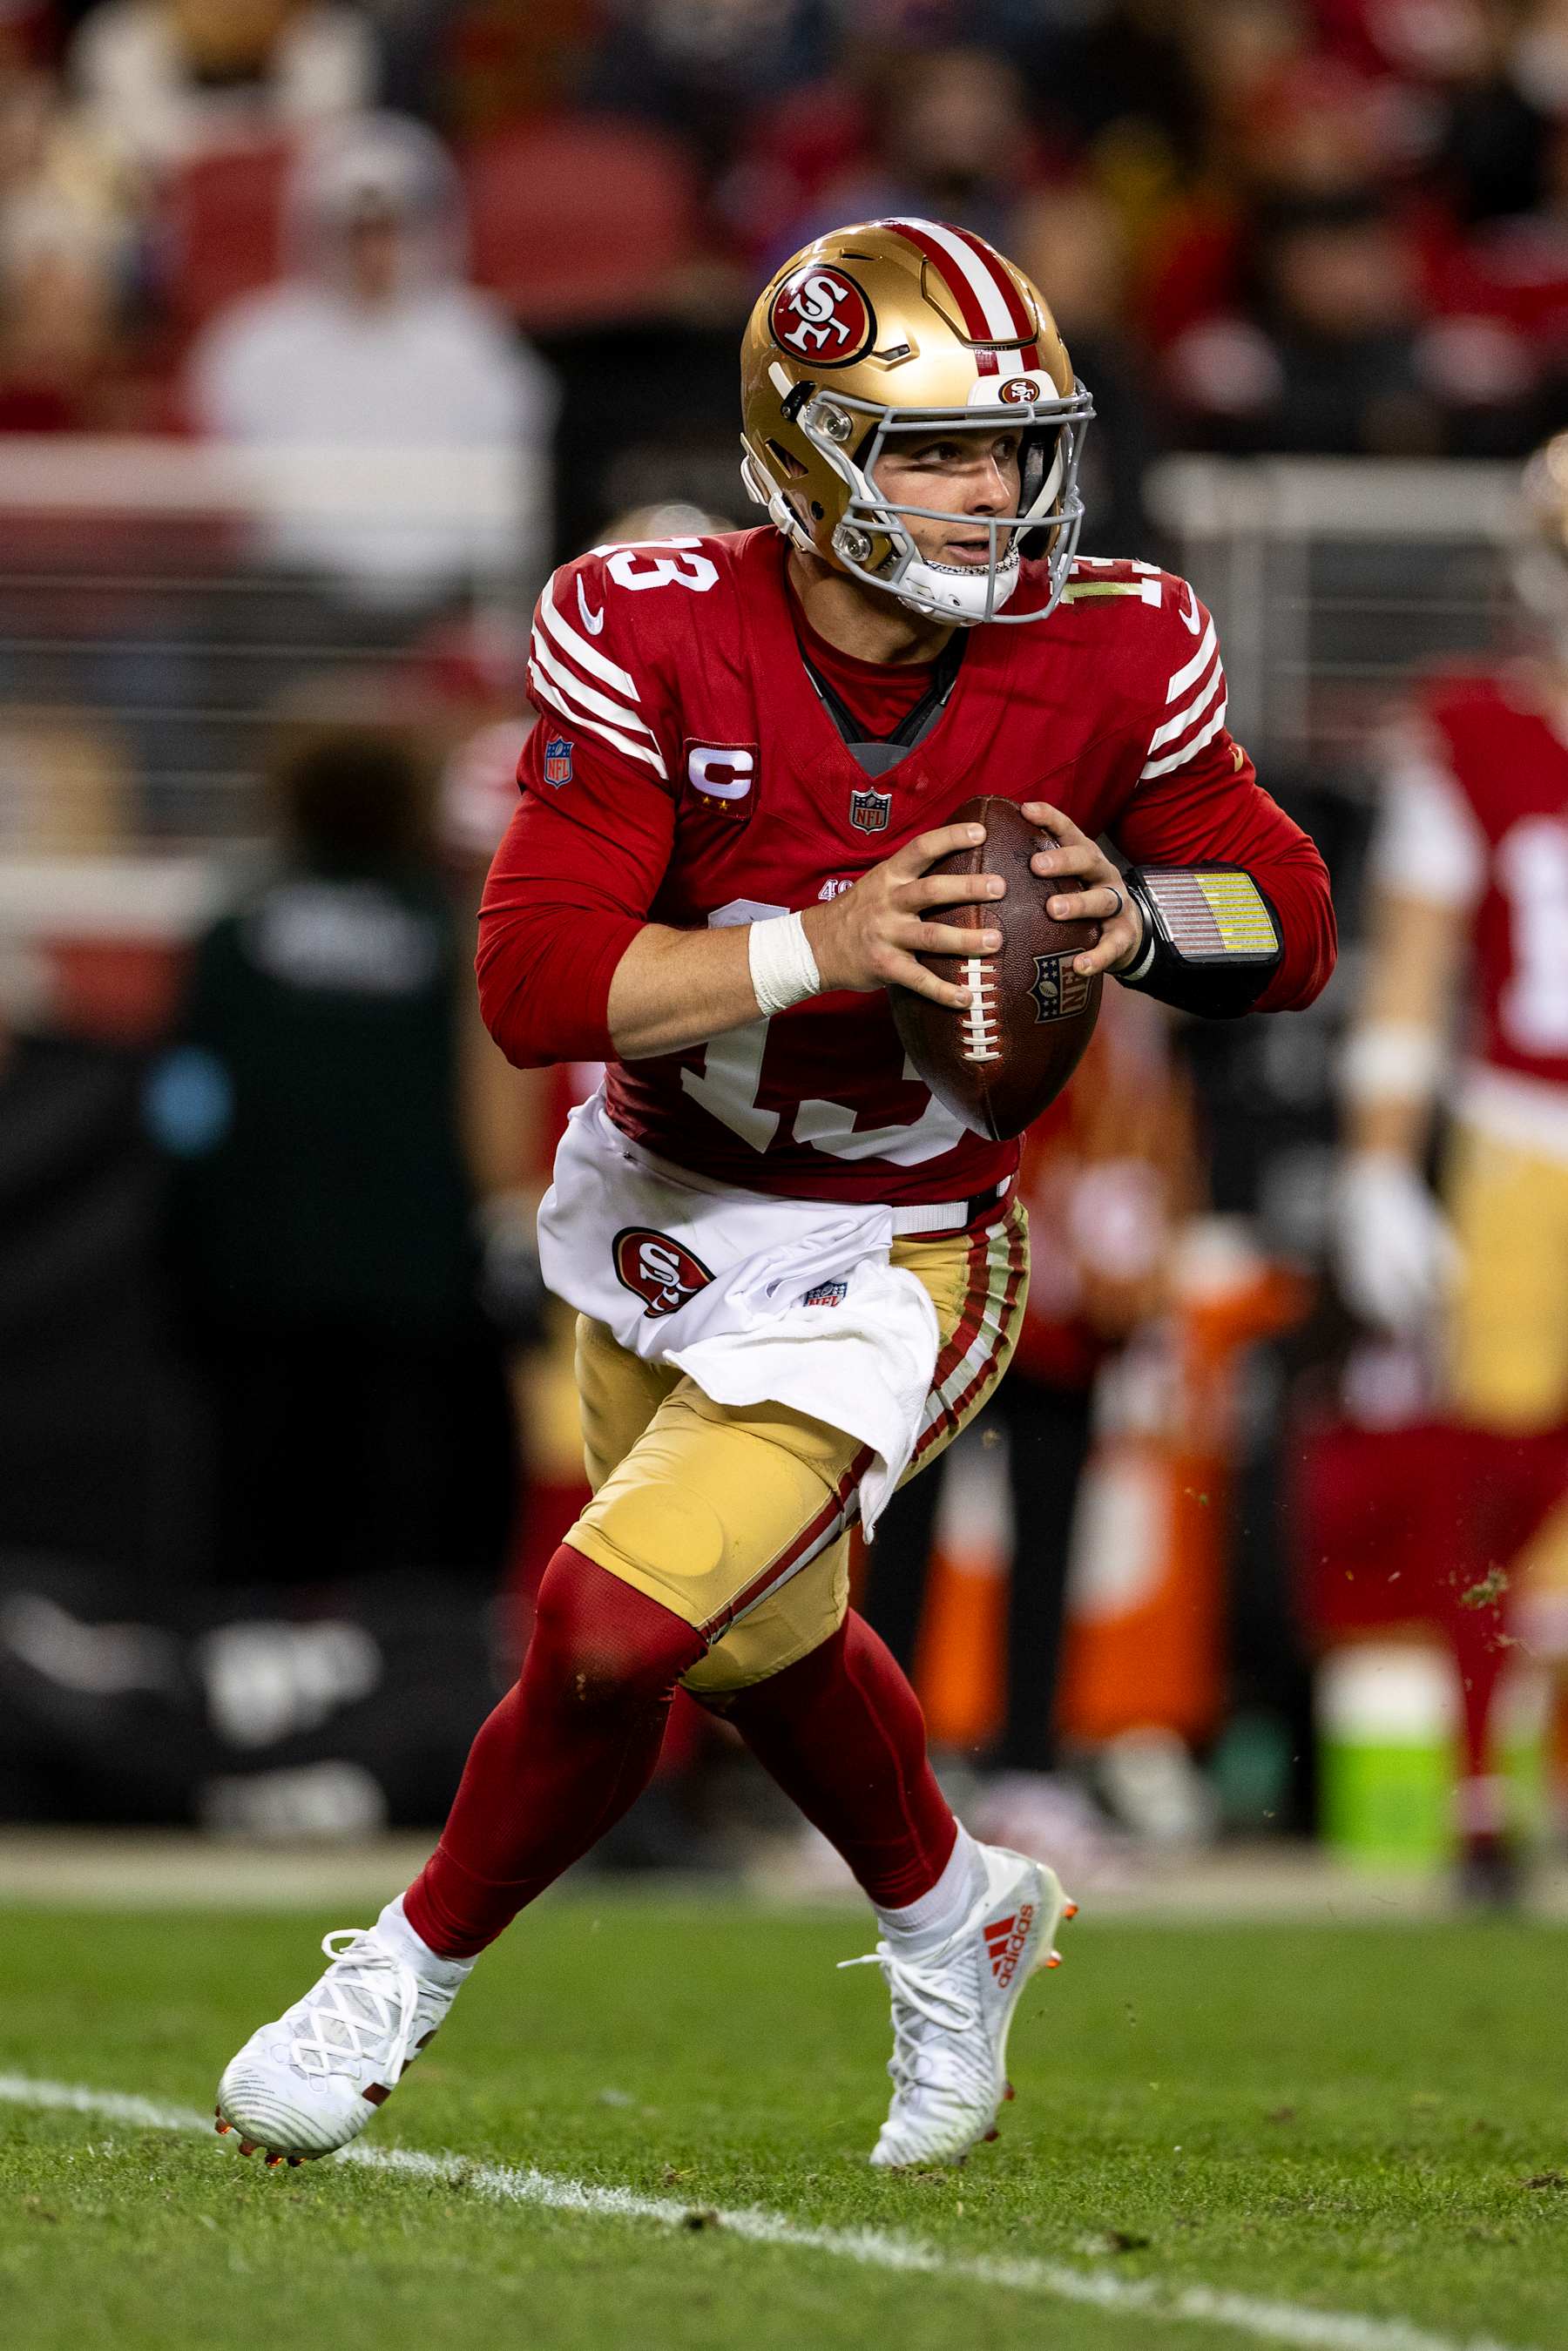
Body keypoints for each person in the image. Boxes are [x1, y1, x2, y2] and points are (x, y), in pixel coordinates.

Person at [213, 217, 1335, 2173]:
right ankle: (957, 1908)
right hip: (653, 1187)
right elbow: (536, 984)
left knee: (608, 1632)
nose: (990, 490)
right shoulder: (648, 619)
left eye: (1011, 445)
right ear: (804, 451)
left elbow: (1291, 921)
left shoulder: (1121, 638)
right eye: (930, 449)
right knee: (760, 1639)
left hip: (908, 1236)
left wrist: (1144, 909)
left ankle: (396, 1978)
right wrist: (829, 943)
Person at [1334, 430, 1568, 1896]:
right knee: (1498, 1470)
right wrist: (1375, 1165)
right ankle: (1488, 1792)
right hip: (1523, 1136)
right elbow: (1412, 977)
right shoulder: (1474, 729)